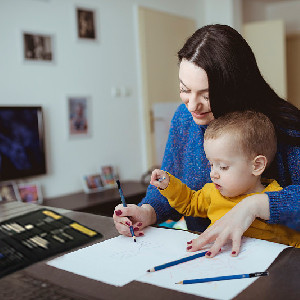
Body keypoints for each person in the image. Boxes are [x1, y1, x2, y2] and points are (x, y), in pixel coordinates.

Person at [113, 24, 300, 256]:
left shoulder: (287, 126)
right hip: (211, 256)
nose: (192, 105)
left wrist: (258, 205)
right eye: (184, 90)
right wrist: (147, 212)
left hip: (277, 263)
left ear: (236, 88)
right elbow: (171, 187)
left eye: (207, 95)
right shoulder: (184, 118)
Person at [150, 111, 300, 252]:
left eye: (223, 167)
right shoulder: (211, 192)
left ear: (257, 165)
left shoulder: (275, 201)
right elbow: (189, 203)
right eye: (211, 164)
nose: (213, 174)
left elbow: (295, 242)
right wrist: (169, 185)